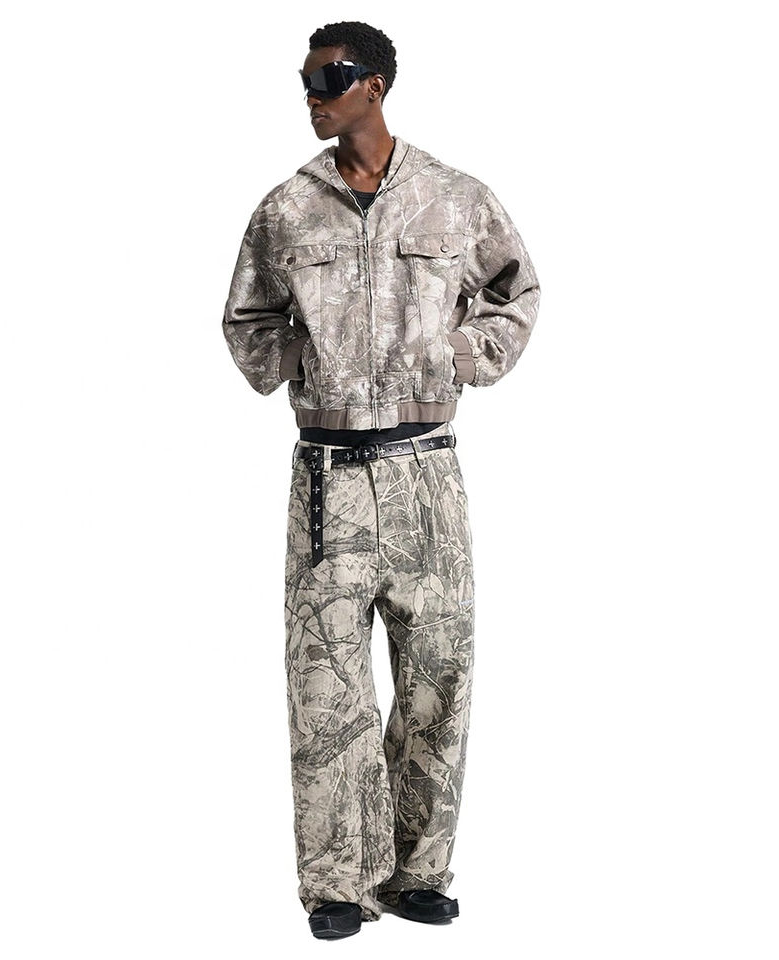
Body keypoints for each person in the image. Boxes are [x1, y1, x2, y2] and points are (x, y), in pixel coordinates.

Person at [222, 20, 540, 940]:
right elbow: (247, 320)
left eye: (331, 78)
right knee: (327, 691)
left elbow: (515, 291)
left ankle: (418, 871)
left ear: (377, 85)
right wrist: (305, 361)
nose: (312, 94)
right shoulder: (287, 208)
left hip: (425, 472)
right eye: (306, 78)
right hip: (327, 479)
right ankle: (336, 884)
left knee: (439, 676)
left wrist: (460, 356)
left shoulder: (453, 197)